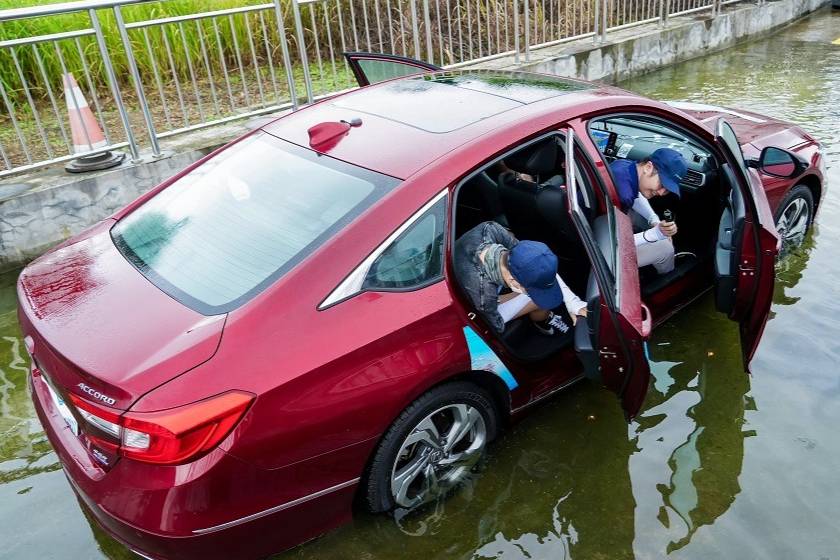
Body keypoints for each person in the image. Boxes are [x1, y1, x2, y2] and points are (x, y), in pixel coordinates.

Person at [454, 221, 587, 335]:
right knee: (540, 303)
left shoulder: (491, 229)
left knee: (538, 293)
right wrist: (520, 296)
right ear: (513, 282)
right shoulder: (484, 296)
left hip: (485, 280)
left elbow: (535, 264)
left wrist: (573, 302)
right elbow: (496, 326)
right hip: (480, 303)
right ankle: (543, 320)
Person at [609, 148, 688, 274]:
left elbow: (635, 194)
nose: (662, 193)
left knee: (642, 220)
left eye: (667, 189)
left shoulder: (625, 166)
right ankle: (665, 283)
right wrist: (655, 234)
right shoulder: (623, 196)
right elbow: (612, 242)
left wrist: (654, 220)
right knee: (665, 248)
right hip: (597, 250)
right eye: (662, 184)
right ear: (648, 167)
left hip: (594, 221)